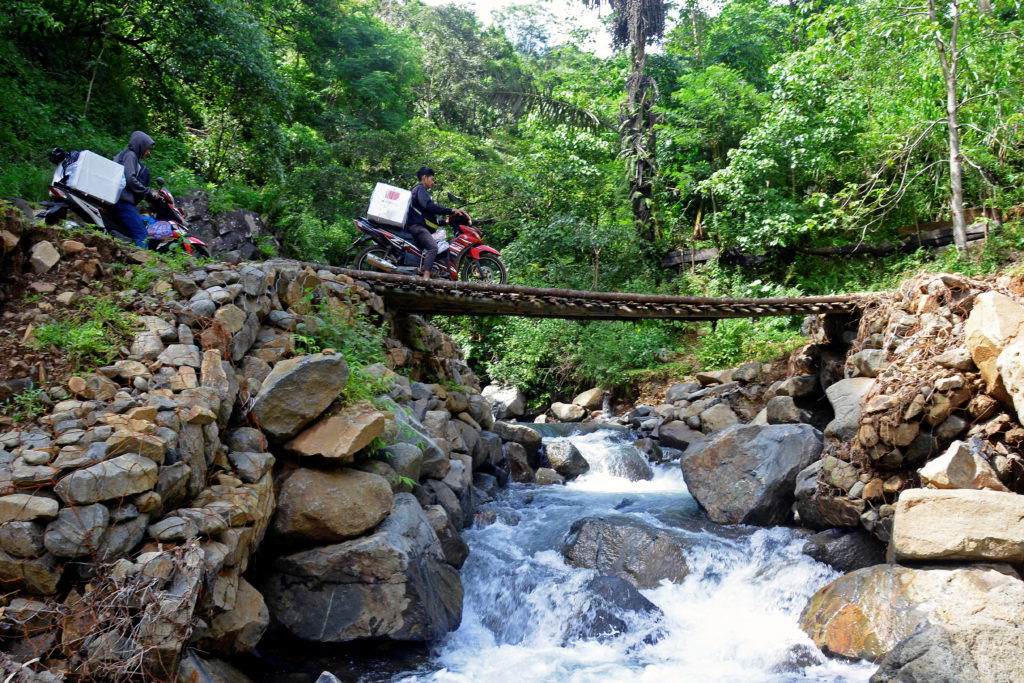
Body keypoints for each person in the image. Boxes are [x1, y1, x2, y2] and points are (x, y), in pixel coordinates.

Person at [113, 131, 158, 248]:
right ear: (140, 145)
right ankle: (143, 264)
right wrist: (148, 192)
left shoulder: (124, 154)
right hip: (122, 202)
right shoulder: (131, 155)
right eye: (147, 149)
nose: (148, 152)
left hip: (116, 198)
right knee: (142, 235)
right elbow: (130, 179)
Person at [408, 166, 455, 279]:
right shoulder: (420, 189)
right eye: (432, 179)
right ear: (424, 178)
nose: (433, 182)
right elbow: (429, 206)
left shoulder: (418, 190)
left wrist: (445, 222)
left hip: (419, 225)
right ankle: (426, 275)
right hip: (417, 227)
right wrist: (450, 210)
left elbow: (428, 219)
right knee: (433, 247)